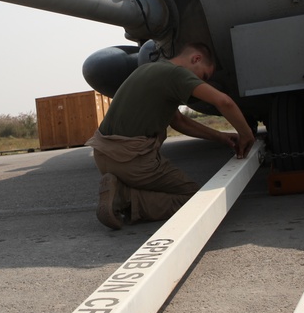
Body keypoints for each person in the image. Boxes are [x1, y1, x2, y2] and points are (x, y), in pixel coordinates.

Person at [86, 42, 256, 230]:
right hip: (132, 160)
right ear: (196, 59)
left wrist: (221, 137)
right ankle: (126, 199)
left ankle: (121, 187)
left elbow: (179, 122)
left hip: (103, 156)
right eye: (204, 76)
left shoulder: (147, 70)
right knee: (194, 200)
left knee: (166, 189)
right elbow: (224, 102)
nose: (203, 82)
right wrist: (246, 134)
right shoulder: (177, 74)